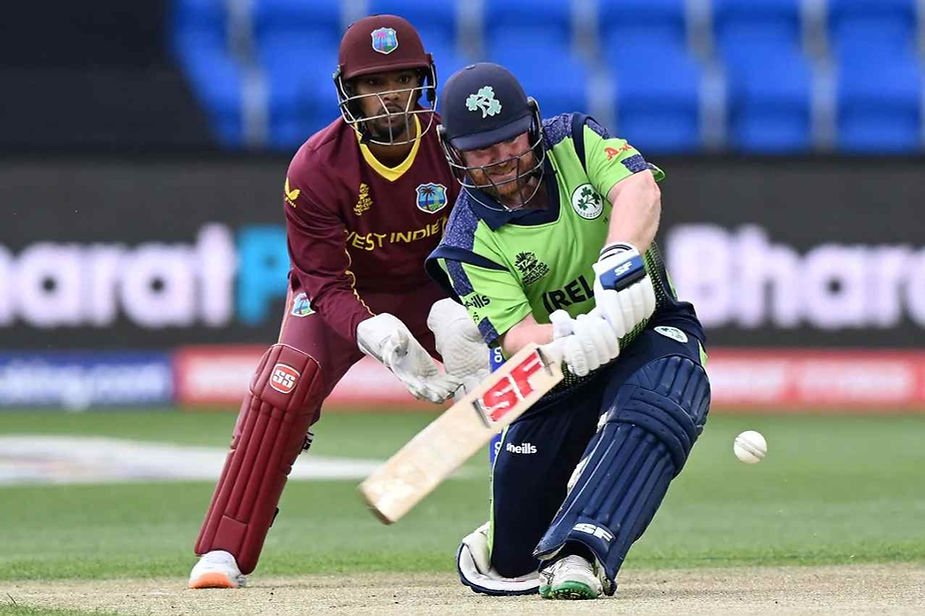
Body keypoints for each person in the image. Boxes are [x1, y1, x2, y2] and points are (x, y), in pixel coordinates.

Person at [187, 15, 488, 589]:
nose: (391, 97)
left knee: (517, 376)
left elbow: (491, 234)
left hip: (437, 287)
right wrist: (374, 333)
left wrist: (470, 317)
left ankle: (547, 529)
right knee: (286, 383)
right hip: (348, 296)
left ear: (421, 80)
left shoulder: (454, 146)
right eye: (375, 85)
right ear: (350, 92)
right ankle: (224, 551)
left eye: (400, 80)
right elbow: (321, 282)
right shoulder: (315, 168)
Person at [425, 63, 711, 600]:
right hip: (554, 374)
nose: (502, 159)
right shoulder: (467, 237)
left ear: (531, 126)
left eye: (511, 141)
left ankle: (582, 550)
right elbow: (514, 336)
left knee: (668, 390)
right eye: (482, 150)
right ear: (456, 153)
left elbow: (639, 187)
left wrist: (620, 259)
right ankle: (503, 538)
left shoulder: (575, 141)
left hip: (650, 328)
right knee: (513, 561)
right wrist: (570, 339)